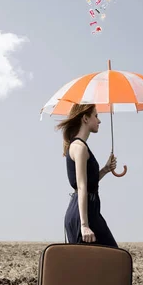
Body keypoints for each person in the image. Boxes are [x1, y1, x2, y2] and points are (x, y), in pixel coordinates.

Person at [55, 104, 119, 248]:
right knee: (113, 260)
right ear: (85, 118)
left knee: (98, 265)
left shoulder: (80, 146)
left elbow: (88, 182)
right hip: (84, 216)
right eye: (96, 116)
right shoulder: (79, 147)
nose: (99, 121)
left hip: (90, 213)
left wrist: (105, 169)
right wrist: (84, 225)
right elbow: (81, 186)